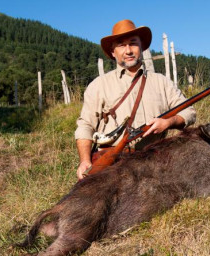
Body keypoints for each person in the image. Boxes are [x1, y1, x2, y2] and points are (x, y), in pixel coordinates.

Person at [75, 19, 196, 180]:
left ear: (141, 47)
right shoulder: (98, 86)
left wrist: (168, 122)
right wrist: (84, 161)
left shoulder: (162, 82)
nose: (128, 50)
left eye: (133, 43)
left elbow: (189, 112)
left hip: (154, 160)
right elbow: (85, 126)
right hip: (112, 163)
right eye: (121, 45)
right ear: (112, 52)